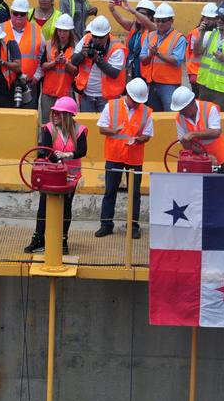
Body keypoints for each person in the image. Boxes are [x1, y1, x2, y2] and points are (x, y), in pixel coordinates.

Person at [24, 96, 87, 255]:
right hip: (51, 175)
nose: (54, 115)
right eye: (54, 113)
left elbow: (82, 151)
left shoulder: (79, 130)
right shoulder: (49, 129)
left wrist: (67, 155)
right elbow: (45, 149)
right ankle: (38, 238)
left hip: (70, 177)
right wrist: (56, 158)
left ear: (67, 115)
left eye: (58, 113)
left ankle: (63, 240)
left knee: (66, 207)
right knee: (43, 206)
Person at [94, 77, 153, 239]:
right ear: (128, 95)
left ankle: (133, 225)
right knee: (110, 191)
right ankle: (106, 224)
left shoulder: (146, 112)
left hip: (134, 157)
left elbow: (147, 136)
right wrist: (115, 131)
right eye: (135, 100)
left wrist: (139, 139)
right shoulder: (112, 106)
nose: (137, 104)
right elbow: (102, 129)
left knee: (134, 193)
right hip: (114, 155)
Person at [71, 15, 126, 112]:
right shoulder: (86, 39)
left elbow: (114, 73)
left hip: (107, 97)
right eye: (95, 36)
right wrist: (82, 54)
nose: (97, 40)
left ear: (108, 34)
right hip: (86, 95)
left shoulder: (116, 47)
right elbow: (73, 61)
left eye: (101, 37)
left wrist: (97, 59)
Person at [170, 85, 224, 174]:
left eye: (183, 110)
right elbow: (185, 143)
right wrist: (205, 156)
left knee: (215, 184)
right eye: (179, 110)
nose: (181, 113)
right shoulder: (179, 118)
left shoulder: (209, 108)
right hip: (197, 160)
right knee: (197, 186)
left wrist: (193, 134)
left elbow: (216, 132)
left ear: (192, 103)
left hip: (217, 159)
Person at [140, 3, 186, 112]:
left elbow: (177, 61)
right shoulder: (150, 35)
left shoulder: (179, 38)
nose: (160, 24)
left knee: (170, 116)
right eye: (158, 20)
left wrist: (157, 54)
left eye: (164, 21)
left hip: (169, 85)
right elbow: (143, 59)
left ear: (171, 21)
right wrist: (150, 55)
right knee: (153, 116)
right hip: (152, 84)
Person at [3, 0, 44, 108]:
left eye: (22, 14)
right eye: (16, 13)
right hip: (6, 85)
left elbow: (43, 56)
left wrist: (37, 76)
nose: (19, 16)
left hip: (29, 84)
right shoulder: (0, 29)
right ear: (11, 13)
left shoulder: (37, 30)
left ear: (27, 14)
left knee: (28, 118)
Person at [40, 14, 77, 122]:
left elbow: (76, 71)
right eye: (60, 30)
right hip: (48, 92)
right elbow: (43, 66)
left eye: (65, 31)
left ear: (70, 32)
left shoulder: (75, 48)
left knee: (65, 124)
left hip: (66, 93)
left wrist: (66, 63)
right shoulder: (49, 45)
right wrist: (54, 62)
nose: (62, 33)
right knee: (47, 123)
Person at [108, 0, 156, 80]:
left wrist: (133, 11)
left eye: (143, 14)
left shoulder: (152, 30)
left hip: (143, 72)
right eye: (138, 13)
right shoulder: (134, 27)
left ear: (150, 17)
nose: (138, 16)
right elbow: (121, 20)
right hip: (131, 69)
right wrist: (112, 10)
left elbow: (151, 25)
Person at [185, 3, 218, 96]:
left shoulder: (217, 33)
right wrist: (201, 33)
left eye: (213, 19)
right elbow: (196, 51)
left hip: (209, 73)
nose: (210, 22)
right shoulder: (195, 33)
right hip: (196, 73)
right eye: (208, 18)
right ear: (203, 18)